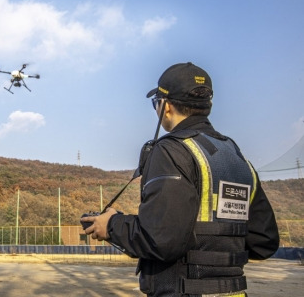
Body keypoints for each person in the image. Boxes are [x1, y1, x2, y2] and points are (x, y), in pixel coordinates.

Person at [82, 62, 279, 296]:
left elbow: (161, 240)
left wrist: (111, 225)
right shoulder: (237, 158)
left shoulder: (171, 151)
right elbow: (264, 242)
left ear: (165, 106)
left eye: (156, 103)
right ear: (208, 105)